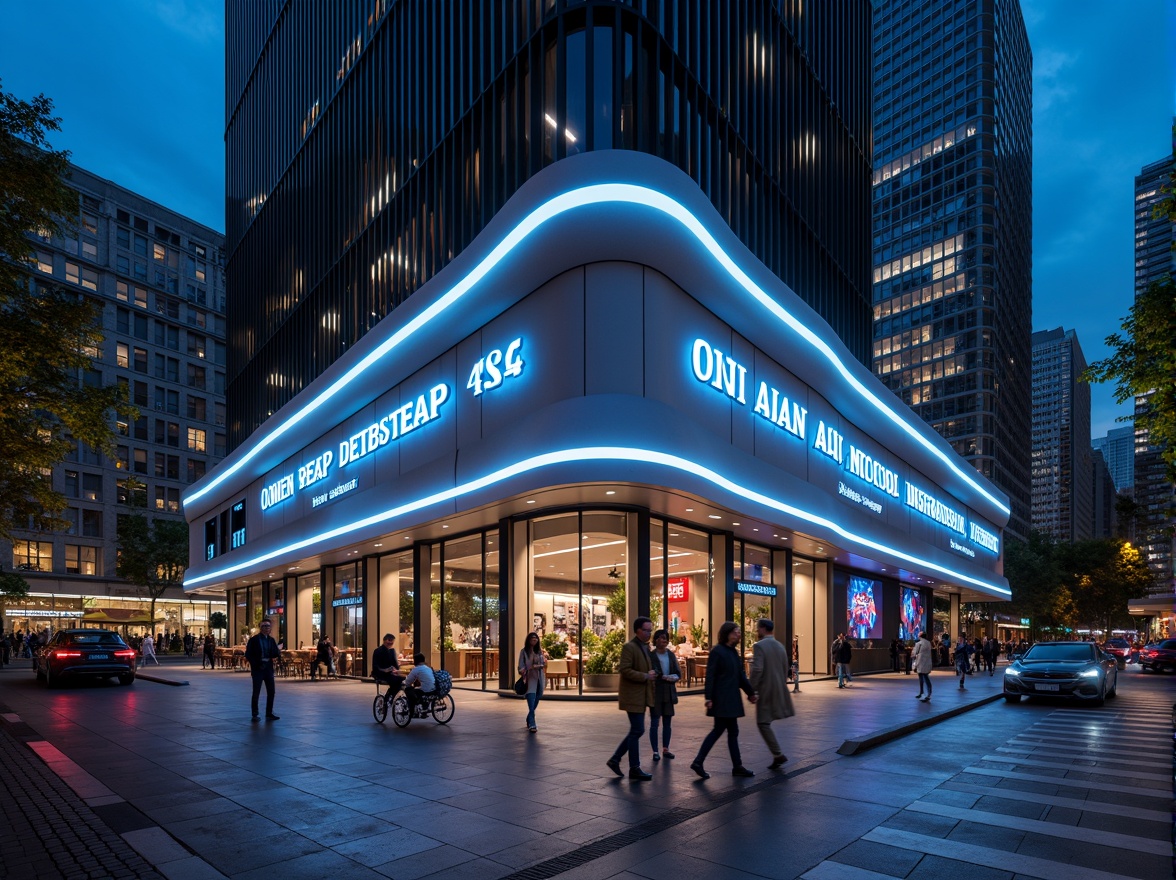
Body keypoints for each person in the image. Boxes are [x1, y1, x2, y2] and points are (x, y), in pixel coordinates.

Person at [691, 621, 757, 779]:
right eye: (736, 631)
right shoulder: (718, 651)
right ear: (727, 633)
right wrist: (708, 697)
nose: (738, 634)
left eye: (739, 632)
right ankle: (701, 762)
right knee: (722, 731)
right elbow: (711, 675)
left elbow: (740, 676)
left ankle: (734, 766)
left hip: (730, 698)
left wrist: (750, 693)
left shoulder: (733, 652)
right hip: (722, 699)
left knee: (729, 731)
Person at [606, 617, 657, 781]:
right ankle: (633, 767)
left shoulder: (644, 647)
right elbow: (625, 669)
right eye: (646, 630)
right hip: (632, 695)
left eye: (650, 630)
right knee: (637, 730)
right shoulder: (630, 647)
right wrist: (645, 676)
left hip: (641, 695)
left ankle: (616, 759)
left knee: (637, 730)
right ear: (637, 630)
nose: (649, 633)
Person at [749, 619, 793, 769]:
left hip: (766, 690)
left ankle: (778, 754)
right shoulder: (780, 646)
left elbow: (757, 669)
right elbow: (785, 668)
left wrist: (752, 689)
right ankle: (777, 754)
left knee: (762, 722)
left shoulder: (759, 646)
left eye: (757, 629)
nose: (756, 632)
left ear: (762, 629)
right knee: (766, 721)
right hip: (779, 688)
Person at [648, 629, 681, 761]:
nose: (665, 640)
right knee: (655, 722)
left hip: (668, 691)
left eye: (666, 638)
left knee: (667, 722)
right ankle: (655, 751)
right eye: (662, 638)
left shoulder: (671, 655)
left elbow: (678, 673)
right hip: (656, 692)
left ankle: (666, 749)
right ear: (656, 640)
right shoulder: (651, 656)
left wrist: (672, 677)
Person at [244, 618, 281, 721]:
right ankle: (255, 714)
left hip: (268, 668)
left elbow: (275, 653)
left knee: (271, 691)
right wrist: (255, 664)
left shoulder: (271, 640)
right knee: (256, 691)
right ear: (260, 628)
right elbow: (248, 654)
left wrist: (277, 652)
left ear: (270, 629)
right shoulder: (254, 640)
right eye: (264, 626)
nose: (266, 628)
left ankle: (269, 712)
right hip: (258, 669)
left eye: (268, 626)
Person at [517, 631, 546, 733]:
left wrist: (541, 665)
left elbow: (543, 663)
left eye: (536, 638)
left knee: (537, 697)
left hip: (539, 678)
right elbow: (520, 667)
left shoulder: (539, 651)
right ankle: (532, 722)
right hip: (530, 678)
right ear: (528, 640)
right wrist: (529, 668)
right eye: (532, 638)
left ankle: (529, 717)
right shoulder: (524, 652)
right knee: (531, 698)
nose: (534, 640)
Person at [912, 630, 933, 701]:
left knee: (922, 677)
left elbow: (914, 654)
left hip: (920, 662)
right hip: (927, 662)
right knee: (925, 677)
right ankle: (926, 692)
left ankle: (925, 693)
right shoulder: (928, 643)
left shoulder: (918, 644)